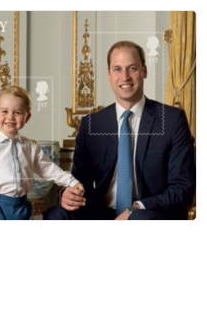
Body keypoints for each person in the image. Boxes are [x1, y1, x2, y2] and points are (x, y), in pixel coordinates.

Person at [45, 41, 195, 221]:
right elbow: (79, 181)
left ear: (144, 71)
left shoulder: (172, 120)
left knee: (140, 220)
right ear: (109, 74)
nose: (125, 77)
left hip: (149, 212)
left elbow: (182, 187)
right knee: (57, 215)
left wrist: (136, 208)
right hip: (101, 213)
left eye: (132, 68)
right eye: (117, 69)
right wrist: (67, 193)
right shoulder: (91, 124)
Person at [0, 86, 83, 220]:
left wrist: (70, 181)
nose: (10, 117)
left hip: (21, 204)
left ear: (27, 117)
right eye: (4, 111)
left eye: (17, 112)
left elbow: (48, 169)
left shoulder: (30, 146)